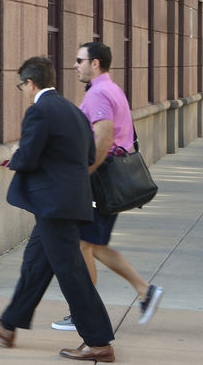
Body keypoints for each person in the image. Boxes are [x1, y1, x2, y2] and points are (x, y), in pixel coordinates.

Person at [0, 56, 116, 363]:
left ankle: (99, 342)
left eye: (21, 85)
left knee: (71, 272)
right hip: (67, 202)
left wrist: (16, 154)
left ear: (30, 83)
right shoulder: (73, 110)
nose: (22, 91)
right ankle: (7, 325)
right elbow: (89, 155)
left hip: (54, 206)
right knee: (35, 264)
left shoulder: (39, 110)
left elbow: (29, 158)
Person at [50, 42, 163, 332]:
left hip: (99, 179)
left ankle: (84, 312)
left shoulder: (98, 93)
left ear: (95, 63)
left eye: (79, 60)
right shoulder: (111, 88)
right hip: (107, 178)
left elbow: (103, 137)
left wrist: (85, 173)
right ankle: (144, 291)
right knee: (93, 244)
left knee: (82, 244)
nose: (75, 65)